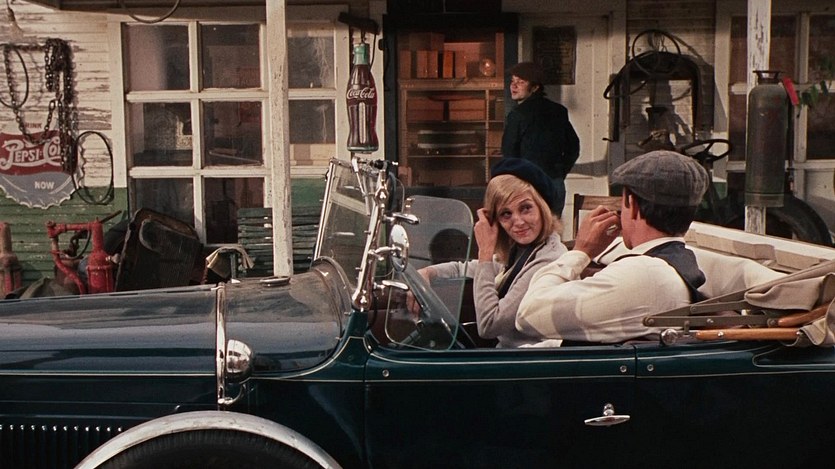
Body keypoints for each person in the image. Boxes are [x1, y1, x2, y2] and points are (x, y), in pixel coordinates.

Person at [516, 150, 710, 344]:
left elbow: (528, 316)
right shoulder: (676, 263)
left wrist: (580, 251)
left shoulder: (644, 273)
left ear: (632, 205)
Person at [418, 158, 568, 348]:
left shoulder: (549, 259)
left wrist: (485, 251)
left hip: (528, 360)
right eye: (506, 214)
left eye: (526, 208)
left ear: (542, 208)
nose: (518, 222)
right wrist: (428, 273)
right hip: (505, 353)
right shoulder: (522, 250)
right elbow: (465, 269)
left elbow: (489, 324)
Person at [501, 61, 580, 215]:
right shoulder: (559, 111)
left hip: (527, 185)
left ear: (535, 87)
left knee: (529, 227)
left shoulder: (517, 115)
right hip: (554, 183)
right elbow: (573, 147)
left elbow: (508, 152)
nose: (513, 86)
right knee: (553, 226)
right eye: (512, 81)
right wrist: (560, 172)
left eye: (521, 82)